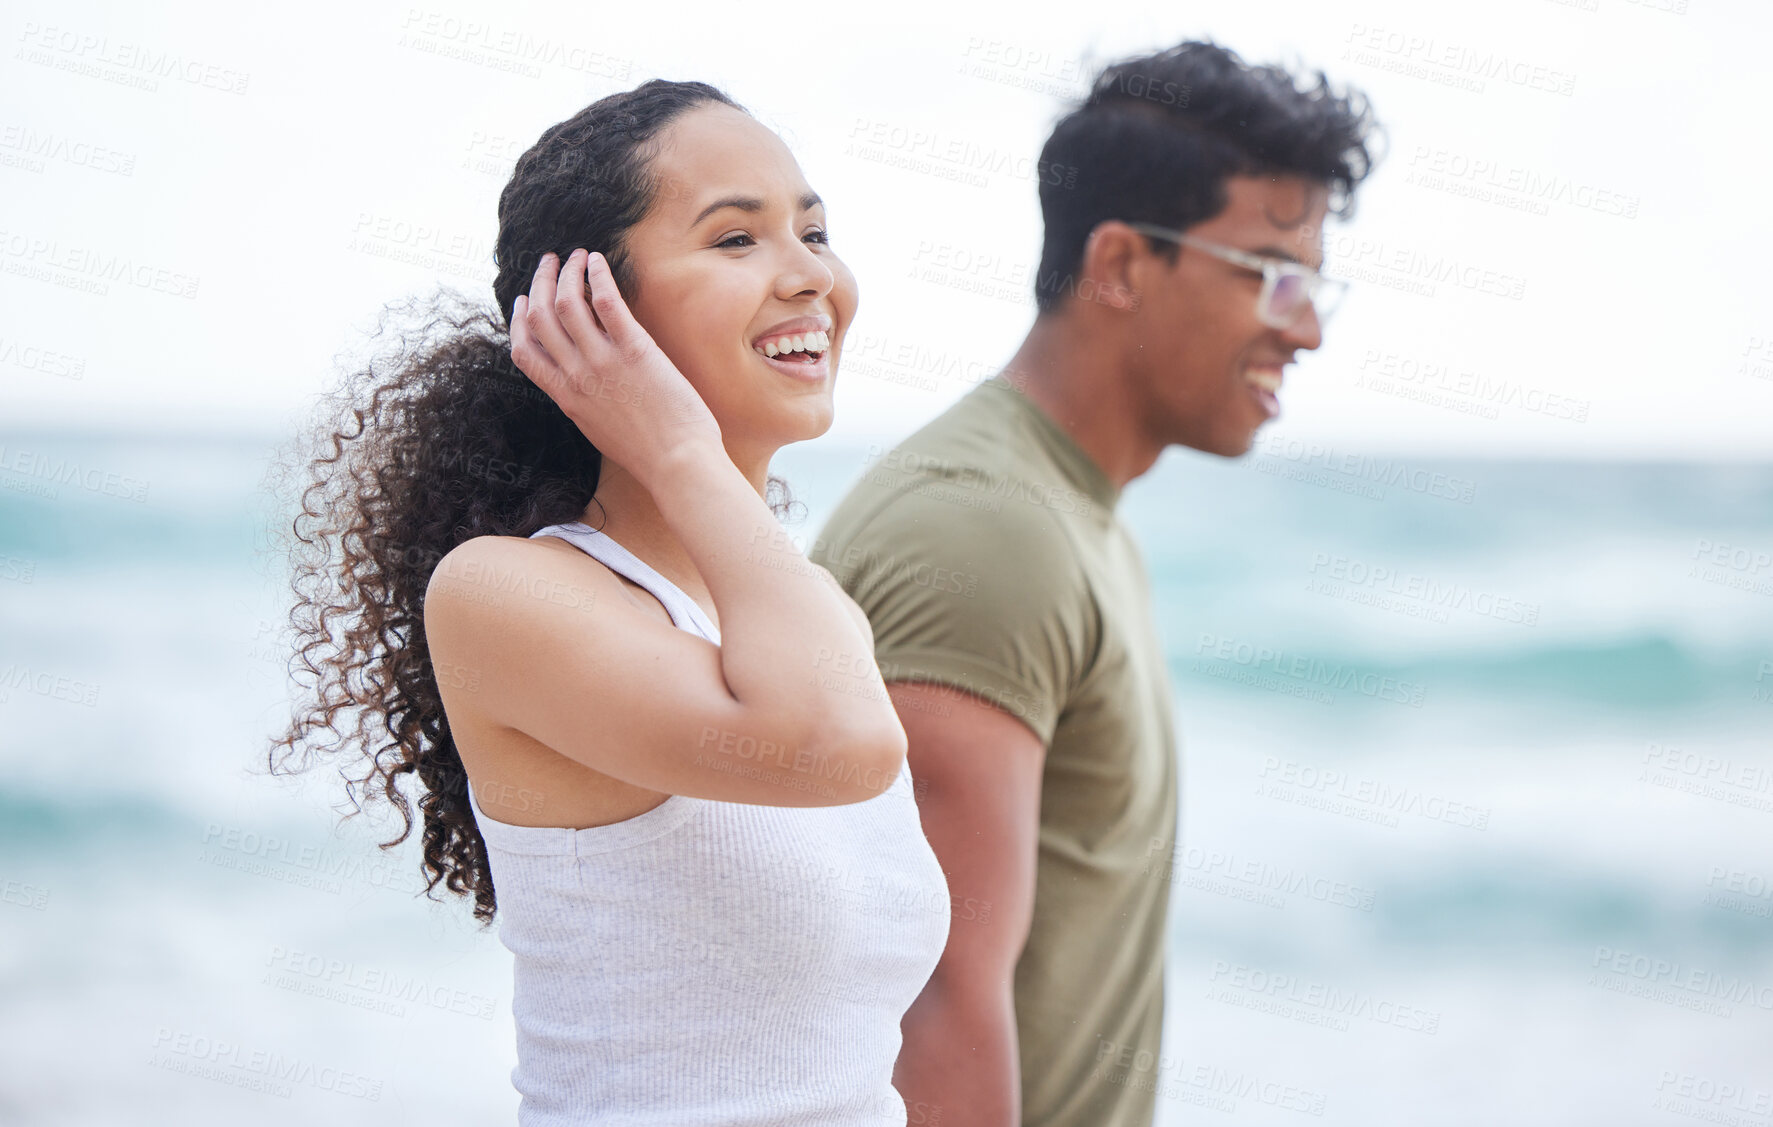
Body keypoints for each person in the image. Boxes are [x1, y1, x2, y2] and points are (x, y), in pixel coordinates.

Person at [269, 79, 949, 1125]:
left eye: (814, 231)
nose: (810, 273)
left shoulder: (800, 610)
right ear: (591, 309)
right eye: (737, 240)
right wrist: (676, 445)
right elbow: (838, 744)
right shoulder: (505, 591)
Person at [807, 41, 1378, 1127]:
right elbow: (929, 994)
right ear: (1120, 264)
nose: (1304, 328)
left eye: (1316, 284)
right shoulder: (985, 527)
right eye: (1272, 274)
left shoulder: (1072, 516)